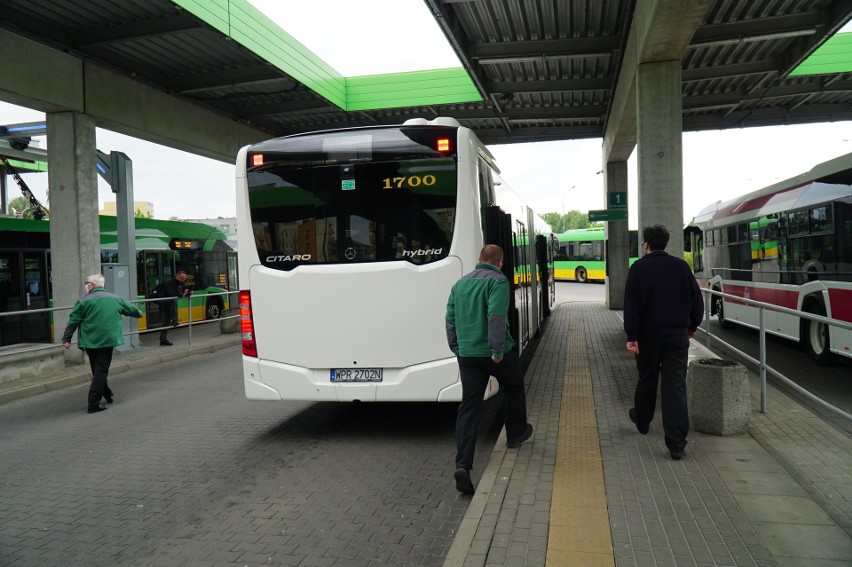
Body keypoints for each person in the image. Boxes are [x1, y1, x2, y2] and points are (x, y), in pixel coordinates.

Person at [446, 244, 534, 494]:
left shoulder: (459, 284)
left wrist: (456, 348)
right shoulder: (498, 282)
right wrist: (496, 350)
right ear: (500, 261)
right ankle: (516, 434)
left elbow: (449, 320)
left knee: (469, 406)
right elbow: (496, 316)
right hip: (495, 354)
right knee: (514, 386)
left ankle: (463, 465)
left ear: (479, 259)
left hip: (468, 354)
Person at [623, 225, 704, 460]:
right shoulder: (681, 267)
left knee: (647, 379)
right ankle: (676, 443)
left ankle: (643, 420)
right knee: (675, 387)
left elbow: (631, 305)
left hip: (648, 338)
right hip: (677, 338)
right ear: (665, 243)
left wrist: (632, 336)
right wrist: (691, 327)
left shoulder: (638, 268)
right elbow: (696, 300)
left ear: (646, 244)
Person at [62, 273, 143, 414]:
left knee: (97, 369)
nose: (86, 285)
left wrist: (67, 339)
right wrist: (140, 314)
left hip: (89, 342)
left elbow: (73, 320)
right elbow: (133, 310)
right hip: (107, 340)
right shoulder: (115, 298)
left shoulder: (83, 301)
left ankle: (106, 394)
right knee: (101, 371)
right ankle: (93, 404)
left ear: (92, 285)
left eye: (87, 283)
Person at [155, 271, 191, 346]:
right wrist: (181, 294)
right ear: (177, 276)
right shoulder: (170, 283)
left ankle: (163, 339)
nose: (183, 280)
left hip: (170, 303)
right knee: (166, 319)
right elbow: (171, 294)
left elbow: (183, 292)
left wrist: (188, 293)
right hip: (164, 302)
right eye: (181, 278)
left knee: (166, 321)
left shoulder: (181, 283)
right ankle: (174, 319)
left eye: (184, 279)